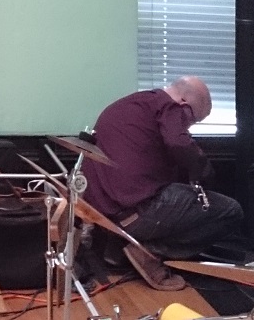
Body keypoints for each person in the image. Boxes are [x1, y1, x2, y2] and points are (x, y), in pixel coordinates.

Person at [81, 76, 244, 291]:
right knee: (231, 210)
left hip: (105, 217)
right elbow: (178, 143)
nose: (188, 126)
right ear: (184, 103)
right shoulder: (169, 106)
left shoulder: (131, 105)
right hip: (138, 213)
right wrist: (203, 172)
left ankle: (118, 251)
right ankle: (150, 252)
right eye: (192, 120)